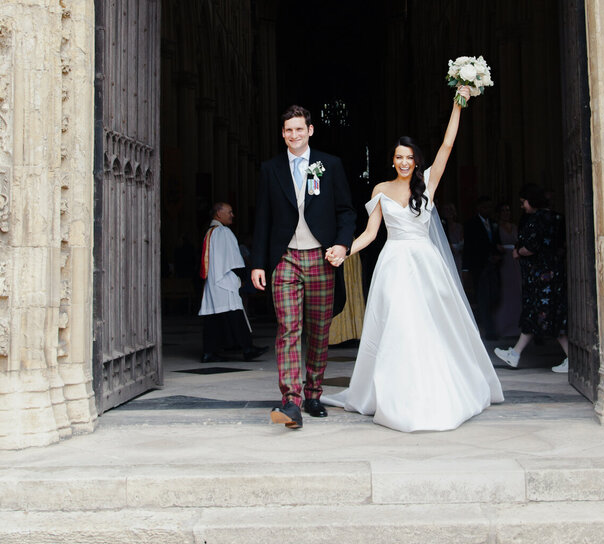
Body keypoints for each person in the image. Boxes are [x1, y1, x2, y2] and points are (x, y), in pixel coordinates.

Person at [323, 87, 504, 431]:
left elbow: (448, 145)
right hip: (393, 264)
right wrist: (345, 249)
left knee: (431, 325)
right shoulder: (380, 190)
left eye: (409, 157)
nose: (404, 162)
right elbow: (370, 234)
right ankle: (396, 395)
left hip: (425, 264)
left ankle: (433, 389)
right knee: (398, 326)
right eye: (399, 157)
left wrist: (458, 103)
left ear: (416, 160)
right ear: (392, 160)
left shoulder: (429, 183)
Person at [251, 105, 356, 430]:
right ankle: (291, 401)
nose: (293, 135)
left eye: (299, 129)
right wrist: (258, 263)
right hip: (285, 259)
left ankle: (313, 394)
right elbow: (263, 218)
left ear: (310, 130)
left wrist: (342, 244)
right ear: (282, 134)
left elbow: (346, 211)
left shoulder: (329, 165)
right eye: (287, 130)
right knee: (288, 330)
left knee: (319, 330)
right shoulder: (271, 169)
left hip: (321, 258)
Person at [494, 183, 568, 373]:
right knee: (537, 315)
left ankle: (571, 358)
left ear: (531, 200)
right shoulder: (558, 217)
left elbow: (532, 246)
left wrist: (518, 251)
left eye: (523, 202)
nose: (522, 206)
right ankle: (515, 354)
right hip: (555, 271)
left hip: (539, 276)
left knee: (545, 314)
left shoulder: (536, 219)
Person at [199, 202, 267, 362]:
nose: (232, 215)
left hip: (214, 281)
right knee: (234, 314)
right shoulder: (223, 231)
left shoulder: (210, 232)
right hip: (225, 280)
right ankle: (247, 348)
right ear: (218, 214)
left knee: (213, 316)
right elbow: (234, 259)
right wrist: (243, 277)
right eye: (229, 212)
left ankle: (210, 351)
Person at [463, 194, 500, 336]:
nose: (487, 210)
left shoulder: (493, 222)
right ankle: (489, 330)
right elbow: (469, 247)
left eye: (489, 207)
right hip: (479, 265)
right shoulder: (471, 224)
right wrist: (466, 268)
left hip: (493, 264)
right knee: (483, 298)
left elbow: (495, 242)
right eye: (484, 207)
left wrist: (497, 253)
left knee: (494, 295)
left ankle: (490, 325)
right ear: (478, 208)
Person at [493, 200, 522, 337]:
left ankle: (517, 326)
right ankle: (503, 327)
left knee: (517, 293)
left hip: (516, 262)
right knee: (505, 293)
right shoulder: (496, 227)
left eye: (508, 210)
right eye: (503, 211)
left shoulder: (515, 227)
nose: (506, 213)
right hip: (504, 263)